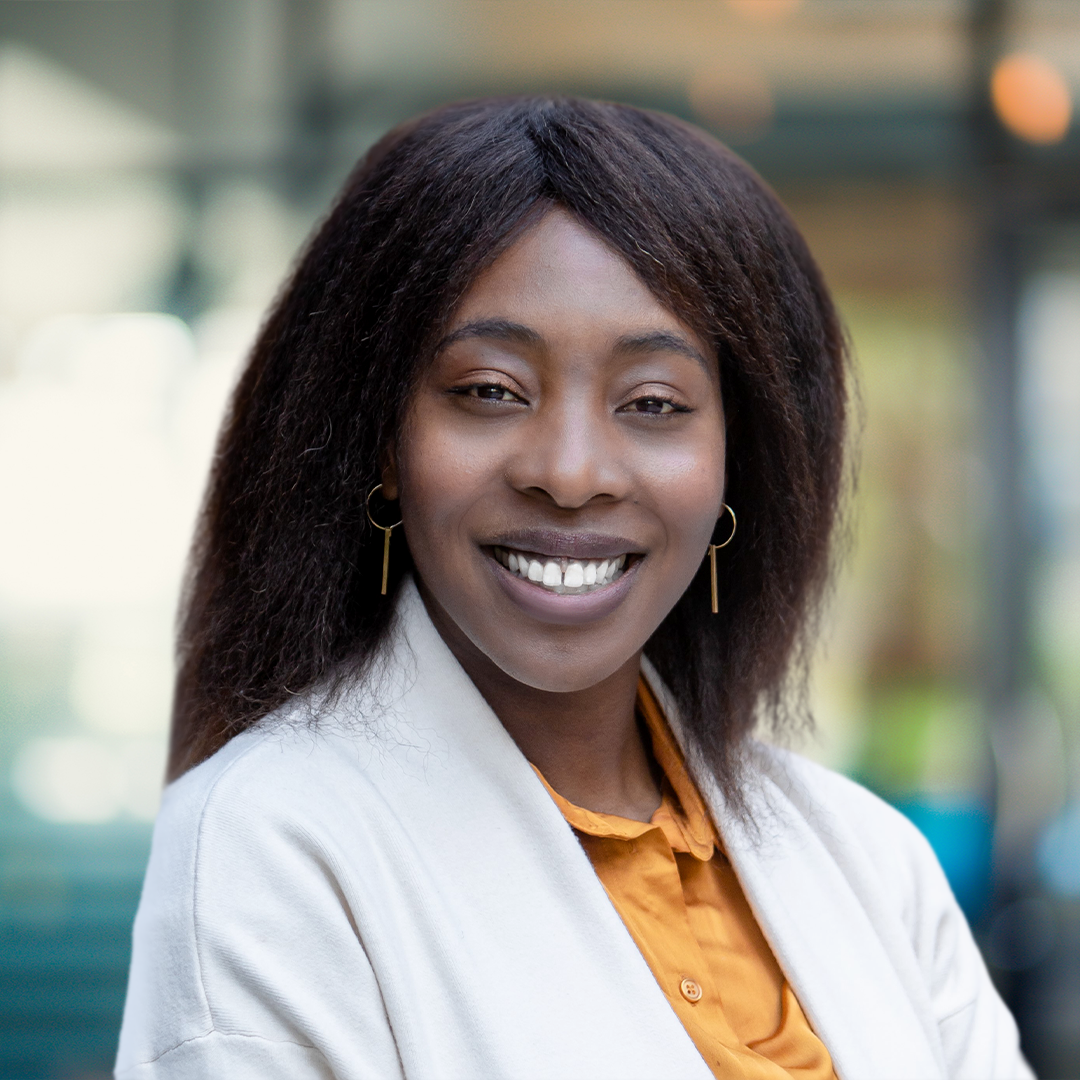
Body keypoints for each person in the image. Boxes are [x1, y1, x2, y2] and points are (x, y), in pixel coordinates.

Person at [116, 97, 1030, 1079]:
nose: (571, 470)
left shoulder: (868, 859)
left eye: (653, 403)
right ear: (381, 445)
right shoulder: (271, 846)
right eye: (489, 391)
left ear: (737, 464)